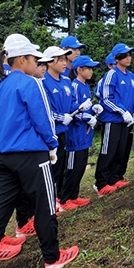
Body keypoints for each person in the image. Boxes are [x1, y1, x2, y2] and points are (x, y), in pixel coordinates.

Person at [0, 35, 78, 268]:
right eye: (34, 59)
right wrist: (52, 145)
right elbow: (42, 119)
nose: (37, 63)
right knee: (45, 204)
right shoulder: (29, 83)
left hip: (0, 156)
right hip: (30, 154)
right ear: (22, 60)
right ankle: (52, 259)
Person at [41, 46, 92, 200]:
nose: (64, 63)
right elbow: (44, 110)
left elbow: (71, 105)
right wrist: (60, 117)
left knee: (63, 167)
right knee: (53, 169)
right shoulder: (43, 82)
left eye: (65, 59)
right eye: (60, 60)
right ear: (50, 62)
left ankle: (64, 199)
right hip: (52, 133)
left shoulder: (66, 81)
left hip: (65, 132)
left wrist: (80, 108)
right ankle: (54, 200)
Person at [95, 43, 134, 194]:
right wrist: (122, 111)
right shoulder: (112, 74)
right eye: (124, 55)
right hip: (112, 119)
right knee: (108, 150)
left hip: (127, 120)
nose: (128, 58)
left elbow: (130, 98)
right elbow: (106, 98)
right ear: (117, 58)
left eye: (129, 55)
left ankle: (115, 178)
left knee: (122, 150)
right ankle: (101, 183)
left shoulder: (131, 76)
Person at [59, 55, 102, 211]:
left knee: (80, 166)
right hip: (75, 135)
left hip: (85, 134)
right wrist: (86, 116)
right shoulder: (74, 86)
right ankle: (64, 199)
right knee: (71, 168)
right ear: (79, 70)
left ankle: (74, 196)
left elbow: (85, 107)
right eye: (88, 68)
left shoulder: (85, 86)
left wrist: (94, 110)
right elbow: (72, 109)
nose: (91, 71)